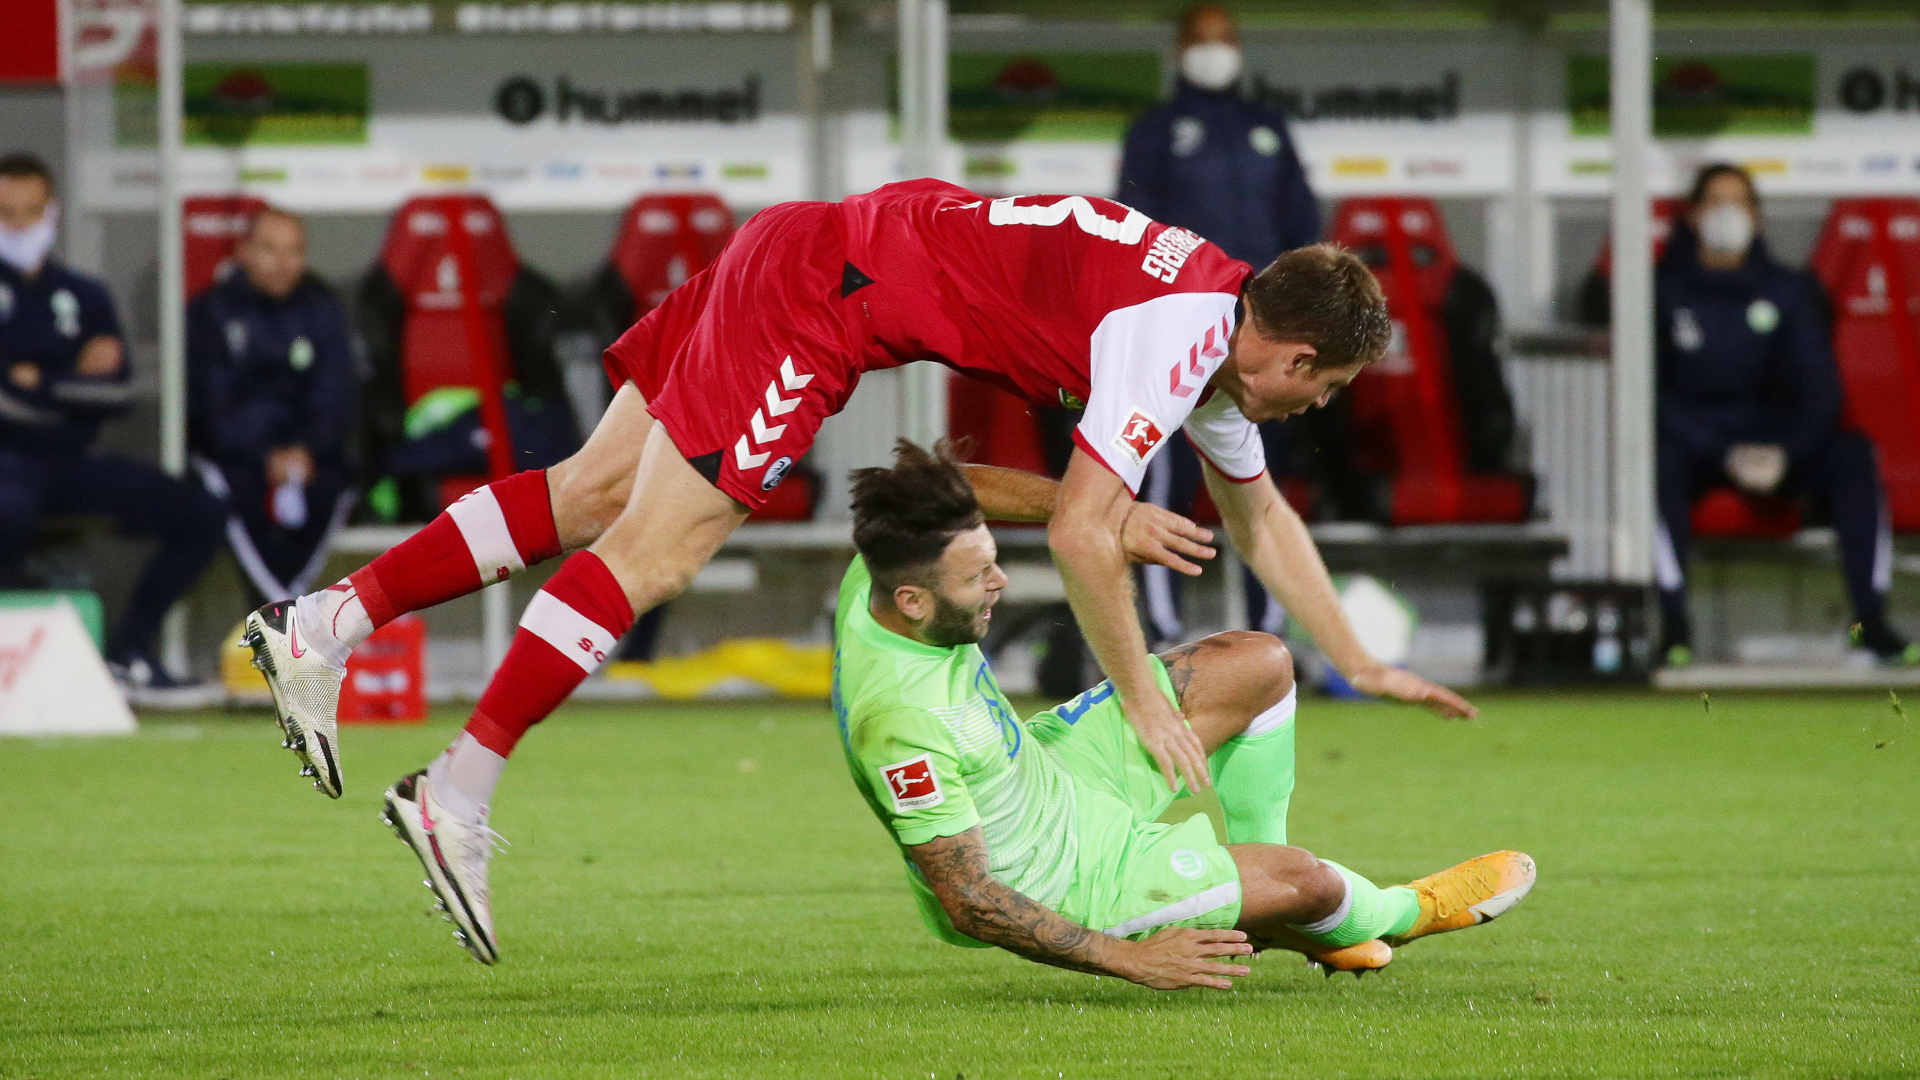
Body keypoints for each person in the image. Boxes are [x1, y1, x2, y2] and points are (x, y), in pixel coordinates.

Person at [245, 179, 1476, 964]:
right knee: (657, 549)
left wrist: (1363, 660)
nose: (1318, 407)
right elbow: (1086, 536)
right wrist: (1147, 697)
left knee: (590, 492)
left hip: (806, 245)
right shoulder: (1177, 342)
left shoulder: (1214, 324)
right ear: (1294, 351)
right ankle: (457, 793)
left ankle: (323, 625)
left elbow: (1255, 521)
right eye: (1323, 385)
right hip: (819, 300)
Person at [831, 441, 1533, 987]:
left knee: (1259, 661)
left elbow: (964, 484)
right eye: (978, 575)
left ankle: (1263, 908)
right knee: (1306, 881)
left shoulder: (891, 560)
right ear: (915, 603)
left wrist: (1108, 513)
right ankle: (1396, 912)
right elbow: (971, 900)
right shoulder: (897, 722)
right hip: (1069, 879)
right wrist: (1130, 960)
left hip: (1051, 769)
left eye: (992, 559)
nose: (1001, 581)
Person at [1117, 2, 1363, 646]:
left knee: (1258, 489)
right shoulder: (1156, 130)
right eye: (1203, 41)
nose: (1215, 51)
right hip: (1183, 335)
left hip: (1266, 341)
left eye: (1225, 40)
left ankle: (1267, 636)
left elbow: (1303, 232)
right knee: (1163, 483)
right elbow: (1137, 233)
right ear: (1179, 49)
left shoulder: (1267, 129)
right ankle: (1164, 636)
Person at [1653, 163, 1914, 666]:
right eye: (1715, 202)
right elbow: (1653, 398)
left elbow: (1821, 390)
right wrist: (1722, 452)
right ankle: (1672, 626)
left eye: (1740, 203)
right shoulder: (1663, 290)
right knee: (1655, 464)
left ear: (1758, 217)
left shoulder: (1788, 289)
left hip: (1775, 443)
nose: (1727, 215)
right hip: (1700, 445)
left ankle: (1871, 623)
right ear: (1693, 215)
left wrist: (1785, 453)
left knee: (1853, 455)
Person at [0, 152, 224, 694]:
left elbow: (120, 391)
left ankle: (130, 654)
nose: (19, 226)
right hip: (7, 465)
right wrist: (74, 381)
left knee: (200, 513)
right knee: (9, 508)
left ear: (52, 212)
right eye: (6, 213)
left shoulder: (84, 294)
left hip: (71, 462)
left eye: (31, 211)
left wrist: (38, 381)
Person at [188, 206, 357, 602]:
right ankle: (281, 615)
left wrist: (306, 450)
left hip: (309, 457)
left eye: (294, 250)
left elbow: (337, 394)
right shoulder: (212, 312)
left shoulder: (323, 309)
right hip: (238, 457)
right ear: (243, 251)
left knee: (335, 485)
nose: (282, 262)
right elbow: (210, 403)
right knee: (223, 491)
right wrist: (265, 452)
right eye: (269, 249)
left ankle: (280, 614)